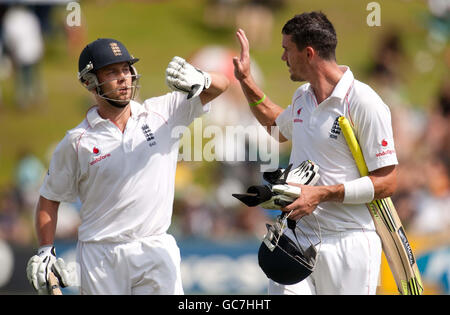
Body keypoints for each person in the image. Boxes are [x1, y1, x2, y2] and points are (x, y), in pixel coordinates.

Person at [26, 38, 229, 295]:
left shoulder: (163, 112)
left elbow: (223, 86)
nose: (123, 78)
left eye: (126, 69)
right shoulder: (77, 142)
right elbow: (49, 199)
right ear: (90, 81)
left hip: (154, 248)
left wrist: (203, 78)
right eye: (112, 72)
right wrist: (46, 251)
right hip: (100, 256)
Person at [233, 12, 398, 295]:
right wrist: (246, 79)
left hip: (350, 242)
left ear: (308, 53)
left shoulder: (364, 102)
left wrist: (321, 194)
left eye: (287, 49)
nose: (283, 58)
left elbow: (387, 181)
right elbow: (277, 127)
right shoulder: (302, 97)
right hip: (298, 236)